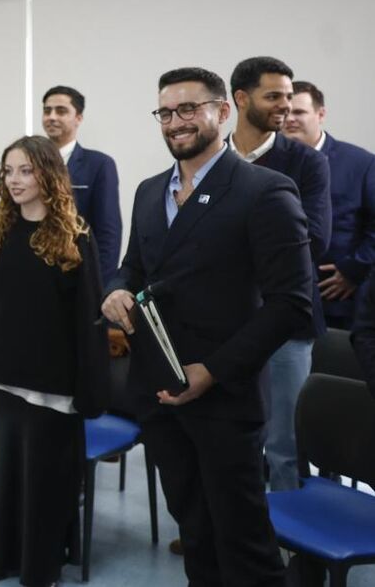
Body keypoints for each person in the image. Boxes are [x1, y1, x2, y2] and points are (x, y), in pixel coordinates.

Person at [102, 67, 312, 587]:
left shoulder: (264, 191)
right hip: (158, 391)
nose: (176, 122)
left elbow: (292, 305)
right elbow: (134, 266)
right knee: (194, 534)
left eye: (189, 109)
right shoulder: (151, 192)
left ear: (223, 111)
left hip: (223, 399)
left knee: (245, 548)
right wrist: (115, 289)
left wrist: (213, 371)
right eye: (166, 112)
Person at [0, 136, 108, 587]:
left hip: (54, 387)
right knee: (7, 479)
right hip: (6, 380)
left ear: (47, 174)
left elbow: (90, 322)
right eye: (8, 171)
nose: (15, 180)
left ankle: (40, 570)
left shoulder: (75, 239)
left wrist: (91, 390)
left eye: (25, 170)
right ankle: (1, 557)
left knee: (46, 486)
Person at [228, 56, 331, 492]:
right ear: (241, 99)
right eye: (274, 96)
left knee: (284, 446)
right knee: (230, 438)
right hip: (227, 321)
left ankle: (287, 552)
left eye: (289, 97)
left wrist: (230, 246)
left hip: (287, 322)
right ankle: (231, 531)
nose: (285, 107)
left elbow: (314, 239)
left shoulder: (306, 164)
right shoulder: (212, 158)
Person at [284, 80, 375, 330]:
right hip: (279, 298)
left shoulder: (361, 163)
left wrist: (354, 269)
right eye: (285, 112)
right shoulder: (266, 162)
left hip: (338, 298)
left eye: (299, 112)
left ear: (320, 114)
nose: (290, 119)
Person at [41, 86, 122, 284]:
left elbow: (108, 232)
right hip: (36, 274)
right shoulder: (30, 164)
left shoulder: (99, 164)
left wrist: (99, 286)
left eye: (61, 111)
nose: (52, 117)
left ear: (78, 118)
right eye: (47, 110)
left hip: (78, 274)